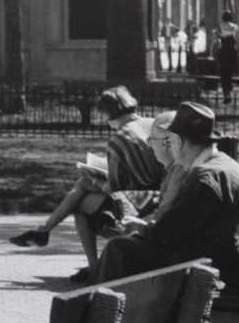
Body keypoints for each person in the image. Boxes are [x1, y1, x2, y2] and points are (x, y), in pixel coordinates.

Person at [83, 101, 239, 296]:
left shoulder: (205, 177)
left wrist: (142, 229)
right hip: (226, 266)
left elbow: (168, 232)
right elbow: (181, 224)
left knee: (119, 248)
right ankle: (103, 312)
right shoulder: (229, 167)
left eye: (171, 142)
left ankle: (92, 314)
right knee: (129, 249)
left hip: (211, 274)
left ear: (178, 141)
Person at [9, 86, 163, 278]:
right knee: (83, 186)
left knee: (81, 206)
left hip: (134, 201)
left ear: (108, 113)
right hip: (159, 194)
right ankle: (44, 231)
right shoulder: (153, 124)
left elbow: (113, 187)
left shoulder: (119, 139)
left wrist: (94, 178)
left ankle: (85, 260)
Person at [215, 9, 239, 103]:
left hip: (223, 51)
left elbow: (218, 40)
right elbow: (236, 40)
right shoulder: (234, 27)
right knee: (230, 71)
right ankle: (229, 90)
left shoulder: (219, 26)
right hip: (232, 51)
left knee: (223, 71)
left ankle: (226, 92)